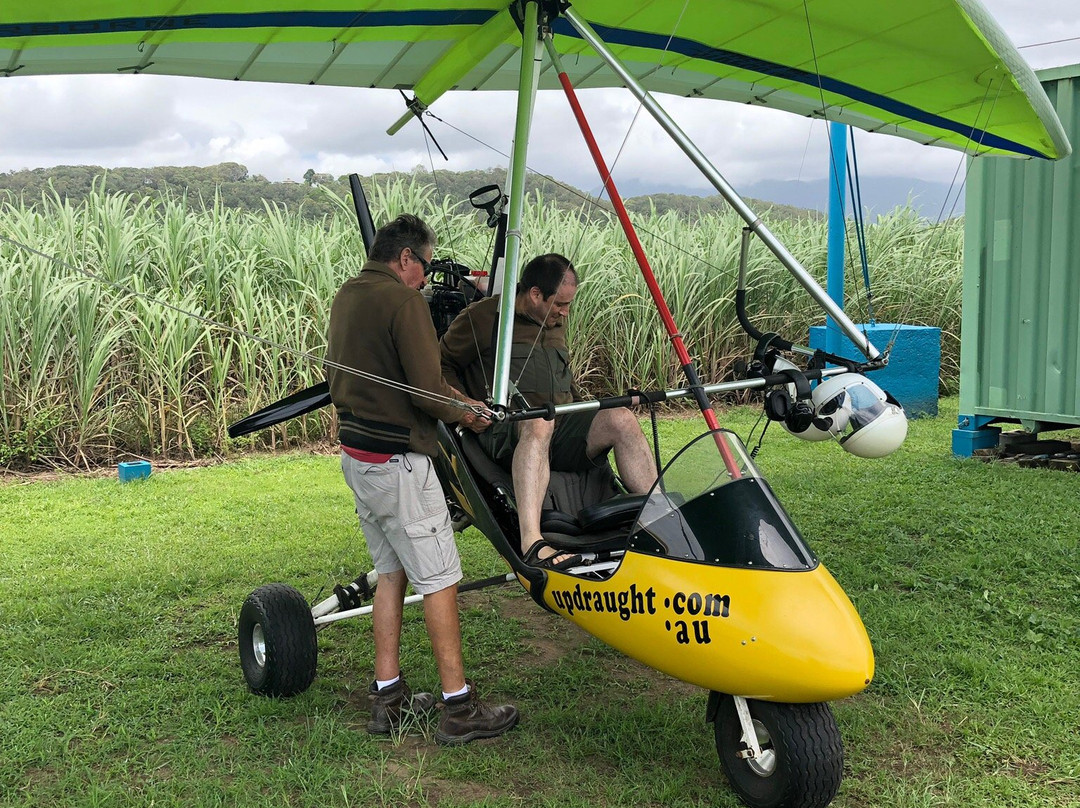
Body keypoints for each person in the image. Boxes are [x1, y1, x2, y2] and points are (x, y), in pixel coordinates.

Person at [326, 213, 518, 744]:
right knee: (439, 579)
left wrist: (456, 403)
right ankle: (459, 707)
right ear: (405, 258)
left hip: (358, 458)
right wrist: (471, 413)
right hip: (400, 464)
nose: (427, 280)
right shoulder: (403, 300)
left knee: (391, 573)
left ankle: (386, 698)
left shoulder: (348, 293)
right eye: (425, 268)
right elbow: (428, 390)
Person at [440, 252, 656, 567]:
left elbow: (562, 383)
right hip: (504, 431)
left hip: (557, 428)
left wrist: (603, 408)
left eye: (569, 304)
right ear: (535, 294)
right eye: (559, 304)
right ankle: (533, 541)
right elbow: (440, 365)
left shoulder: (553, 322)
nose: (565, 313)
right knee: (539, 421)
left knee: (620, 418)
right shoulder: (485, 317)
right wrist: (464, 407)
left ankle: (663, 522)